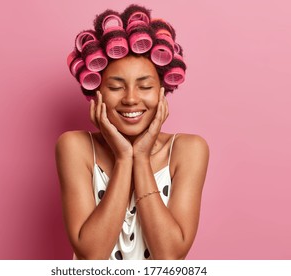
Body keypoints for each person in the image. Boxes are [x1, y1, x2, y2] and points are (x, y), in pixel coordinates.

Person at [56, 4, 209, 260]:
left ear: (162, 90)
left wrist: (141, 156)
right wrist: (124, 157)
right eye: (116, 87)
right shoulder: (75, 146)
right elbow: (91, 256)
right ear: (97, 92)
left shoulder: (189, 150)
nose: (130, 99)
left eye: (145, 86)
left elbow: (169, 256)